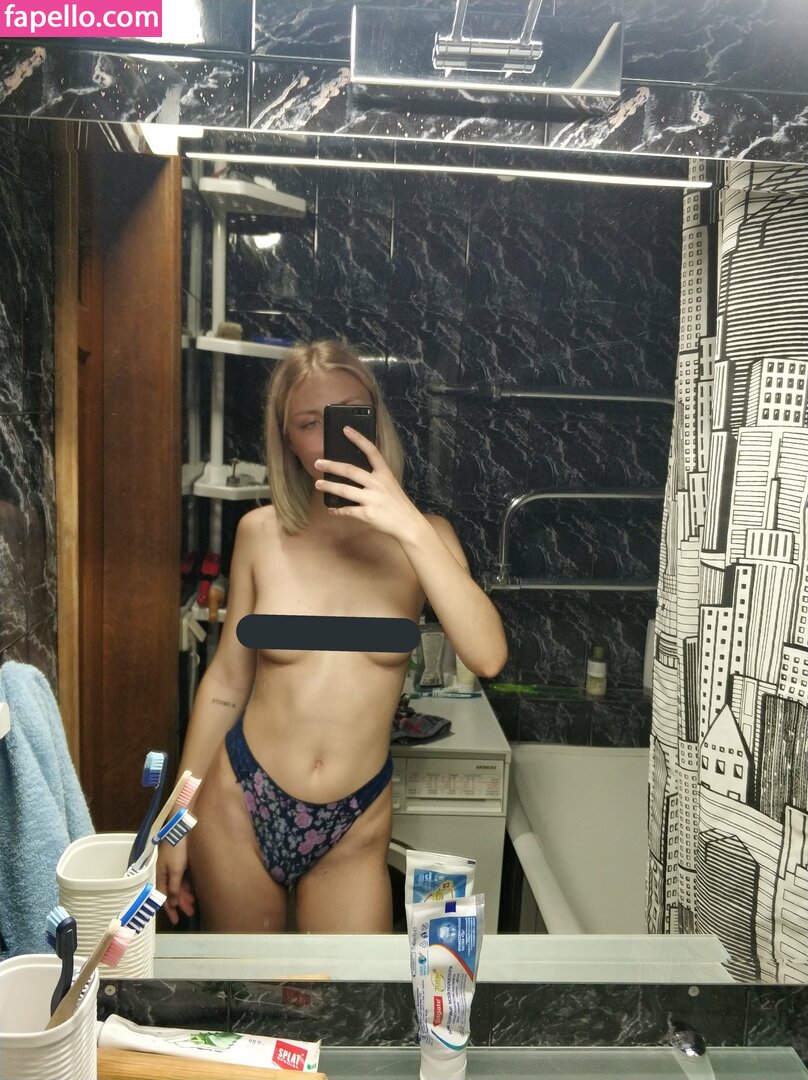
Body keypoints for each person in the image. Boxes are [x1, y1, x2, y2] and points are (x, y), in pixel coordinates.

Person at [158, 339, 508, 932]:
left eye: (348, 414)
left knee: (347, 989)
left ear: (375, 421)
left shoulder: (427, 537)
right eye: (308, 423)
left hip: (355, 821)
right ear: (288, 442)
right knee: (253, 985)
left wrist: (405, 522)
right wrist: (177, 818)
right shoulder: (261, 533)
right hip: (240, 800)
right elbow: (225, 685)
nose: (331, 437)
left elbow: (488, 655)